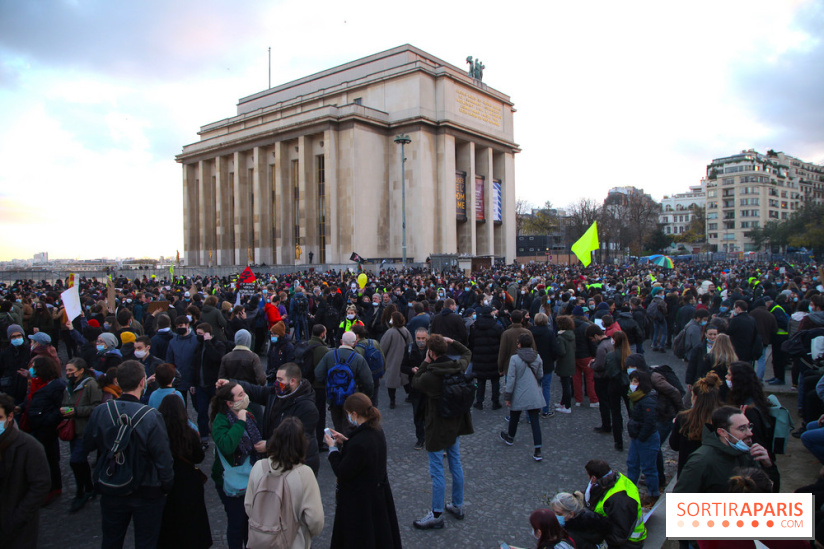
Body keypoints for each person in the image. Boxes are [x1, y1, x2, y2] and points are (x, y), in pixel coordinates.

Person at [82, 360, 175, 549]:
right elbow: (163, 457)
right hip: (147, 488)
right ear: (142, 382)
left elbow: (87, 445)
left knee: (111, 539)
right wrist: (167, 485)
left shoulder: (101, 411)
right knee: (146, 541)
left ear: (118, 382)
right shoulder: (151, 416)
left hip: (112, 482)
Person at [324, 393, 402, 548]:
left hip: (360, 502)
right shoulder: (376, 430)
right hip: (377, 497)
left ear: (354, 414)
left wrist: (333, 449)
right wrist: (346, 441)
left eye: (348, 413)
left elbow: (342, 471)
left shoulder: (360, 442)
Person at [412, 334, 473, 530]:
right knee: (455, 463)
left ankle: (436, 513)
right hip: (455, 423)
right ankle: (457, 504)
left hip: (437, 426)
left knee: (437, 471)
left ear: (431, 352)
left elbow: (416, 381)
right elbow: (467, 352)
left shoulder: (431, 376)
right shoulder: (458, 366)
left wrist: (425, 362)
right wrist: (452, 341)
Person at [222, 362, 321, 475]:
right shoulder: (276, 394)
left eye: (280, 379)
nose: (276, 383)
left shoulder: (307, 408)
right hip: (279, 459)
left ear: (292, 381)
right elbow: (256, 391)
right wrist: (231, 383)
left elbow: (298, 438)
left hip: (297, 463)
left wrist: (269, 445)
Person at [246, 417, 324, 549]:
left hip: (261, 541)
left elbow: (249, 505)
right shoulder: (305, 474)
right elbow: (315, 519)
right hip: (294, 542)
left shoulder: (259, 467)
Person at [674, 405, 779, 494]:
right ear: (723, 432)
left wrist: (768, 466)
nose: (750, 433)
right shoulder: (701, 461)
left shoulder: (747, 454)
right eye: (742, 429)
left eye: (749, 426)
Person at [210, 381, 265, 549]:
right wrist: (240, 422)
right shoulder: (221, 420)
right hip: (231, 480)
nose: (245, 396)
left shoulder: (249, 413)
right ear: (229, 403)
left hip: (251, 477)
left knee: (250, 522)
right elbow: (226, 445)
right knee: (237, 523)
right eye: (240, 395)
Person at [157, 394, 212, 549]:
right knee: (192, 521)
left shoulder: (157, 433)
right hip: (188, 481)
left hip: (166, 481)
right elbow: (199, 456)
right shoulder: (189, 433)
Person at [0, 393, 50, 549]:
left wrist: (17, 518)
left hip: (16, 528)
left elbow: (41, 485)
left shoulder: (29, 446)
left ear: (10, 416)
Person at [18, 354, 65, 504]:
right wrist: (21, 407)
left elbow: (60, 409)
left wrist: (47, 419)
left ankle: (51, 489)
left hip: (46, 428)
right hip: (35, 426)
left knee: (48, 459)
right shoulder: (36, 383)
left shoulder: (55, 386)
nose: (31, 370)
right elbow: (31, 401)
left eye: (34, 367)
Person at [62, 357, 103, 512]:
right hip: (74, 428)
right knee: (79, 461)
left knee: (76, 460)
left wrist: (76, 411)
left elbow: (97, 407)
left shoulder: (91, 385)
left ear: (80, 371)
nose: (68, 373)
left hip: (85, 430)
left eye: (71, 370)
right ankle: (89, 487)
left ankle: (81, 491)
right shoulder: (69, 386)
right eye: (67, 370)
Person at [314, 331, 374, 433]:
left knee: (337, 424)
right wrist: (367, 396)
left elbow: (318, 374)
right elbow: (368, 382)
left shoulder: (329, 355)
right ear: (355, 343)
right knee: (349, 426)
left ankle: (339, 440)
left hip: (333, 396)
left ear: (341, 341)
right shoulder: (358, 358)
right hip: (351, 397)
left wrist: (330, 384)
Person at [500, 332, 546, 461]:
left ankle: (510, 437)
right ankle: (538, 449)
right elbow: (540, 375)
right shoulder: (537, 357)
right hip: (533, 391)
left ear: (519, 345)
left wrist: (508, 396)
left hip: (519, 391)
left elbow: (511, 379)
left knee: (514, 415)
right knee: (535, 421)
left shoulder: (515, 359)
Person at [583, 459, 646, 548]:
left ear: (593, 478)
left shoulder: (619, 500)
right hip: (623, 536)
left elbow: (619, 536)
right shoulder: (616, 479)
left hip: (629, 543)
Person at [670, 373, 723, 475]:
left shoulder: (683, 418)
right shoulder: (721, 418)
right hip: (712, 471)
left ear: (695, 397)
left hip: (687, 471)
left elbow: (674, 445)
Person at [625, 370, 660, 507]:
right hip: (638, 436)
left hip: (646, 438)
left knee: (648, 468)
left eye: (635, 381)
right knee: (632, 464)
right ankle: (630, 492)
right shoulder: (637, 397)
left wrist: (641, 436)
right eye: (632, 381)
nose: (632, 384)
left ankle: (653, 494)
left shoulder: (647, 400)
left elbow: (649, 422)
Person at [191, 322, 225, 447]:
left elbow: (217, 358)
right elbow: (194, 365)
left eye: (200, 334)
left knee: (217, 412)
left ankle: (218, 434)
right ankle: (204, 437)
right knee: (201, 412)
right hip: (201, 384)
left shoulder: (218, 345)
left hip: (213, 384)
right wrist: (193, 383)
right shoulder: (198, 346)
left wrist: (208, 343)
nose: (198, 336)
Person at [468, 305, 504, 410]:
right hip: (494, 357)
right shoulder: (497, 327)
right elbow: (501, 343)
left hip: (479, 358)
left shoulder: (475, 327)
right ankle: (495, 402)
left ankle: (479, 402)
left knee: (481, 381)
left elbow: (471, 342)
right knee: (495, 381)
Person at [401, 326, 429, 449]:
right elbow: (403, 367)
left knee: (430, 415)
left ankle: (430, 437)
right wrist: (411, 369)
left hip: (429, 387)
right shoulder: (409, 348)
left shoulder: (432, 349)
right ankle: (420, 439)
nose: (421, 341)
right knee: (417, 415)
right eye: (418, 338)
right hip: (415, 387)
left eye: (423, 338)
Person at [379, 311, 412, 409]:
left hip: (392, 360)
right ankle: (410, 395)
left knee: (391, 381)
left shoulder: (390, 332)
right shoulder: (406, 331)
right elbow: (410, 344)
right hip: (404, 359)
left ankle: (392, 401)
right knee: (406, 379)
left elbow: (383, 347)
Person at [166, 314, 199, 406]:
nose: (179, 328)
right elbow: (169, 361)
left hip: (193, 378)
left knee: (197, 405)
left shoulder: (196, 340)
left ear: (187, 325)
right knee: (180, 406)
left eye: (181, 326)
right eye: (177, 326)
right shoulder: (173, 342)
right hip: (179, 380)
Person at [695, 332, 737, 401]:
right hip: (727, 390)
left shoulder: (710, 357)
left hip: (713, 389)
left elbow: (704, 374)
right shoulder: (733, 359)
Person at [530, 312, 557, 417]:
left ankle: (534, 409)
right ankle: (545, 410)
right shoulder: (549, 333)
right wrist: (552, 359)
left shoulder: (530, 332)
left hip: (533, 363)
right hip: (547, 363)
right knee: (546, 388)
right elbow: (554, 349)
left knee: (534, 387)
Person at [0, 323, 30, 404]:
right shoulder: (5, 353)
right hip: (10, 389)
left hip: (25, 388)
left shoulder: (29, 351)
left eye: (19, 335)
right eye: (13, 337)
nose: (16, 338)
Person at [727, 300, 761, 364]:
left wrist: (730, 319)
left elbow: (728, 331)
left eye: (734, 308)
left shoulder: (735, 320)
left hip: (737, 350)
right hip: (749, 351)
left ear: (738, 308)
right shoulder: (752, 319)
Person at [554, 315, 576, 414]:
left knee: (565, 385)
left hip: (563, 363)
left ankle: (567, 406)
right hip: (570, 361)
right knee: (566, 383)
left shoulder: (561, 337)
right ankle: (563, 402)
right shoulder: (571, 335)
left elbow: (561, 352)